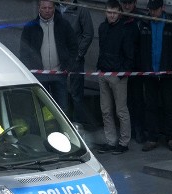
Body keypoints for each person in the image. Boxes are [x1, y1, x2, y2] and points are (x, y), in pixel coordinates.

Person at [136, 0, 172, 152]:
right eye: (151, 10)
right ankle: (152, 137)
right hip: (149, 72)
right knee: (150, 106)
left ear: (163, 8)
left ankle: (171, 137)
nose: (153, 13)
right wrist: (143, 66)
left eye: (155, 10)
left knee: (168, 106)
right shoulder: (143, 24)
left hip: (166, 73)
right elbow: (138, 47)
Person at [20, 0, 78, 113]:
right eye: (44, 8)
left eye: (50, 8)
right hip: (39, 75)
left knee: (62, 108)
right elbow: (24, 51)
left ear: (54, 8)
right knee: (39, 108)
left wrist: (68, 66)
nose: (47, 10)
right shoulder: (30, 27)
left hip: (59, 73)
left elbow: (73, 47)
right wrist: (31, 69)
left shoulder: (64, 25)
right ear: (39, 8)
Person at [95, 0, 134, 155]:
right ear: (105, 12)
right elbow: (102, 49)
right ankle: (111, 141)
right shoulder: (102, 27)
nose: (111, 15)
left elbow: (129, 55)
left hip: (118, 76)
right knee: (105, 110)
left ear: (119, 13)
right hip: (103, 73)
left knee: (121, 111)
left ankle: (124, 142)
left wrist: (122, 73)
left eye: (114, 12)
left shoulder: (125, 29)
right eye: (109, 12)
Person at [58, 0, 94, 127]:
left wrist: (78, 54)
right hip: (58, 60)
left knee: (76, 94)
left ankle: (78, 125)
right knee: (59, 93)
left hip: (75, 60)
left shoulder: (81, 9)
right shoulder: (55, 7)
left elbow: (88, 34)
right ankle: (61, 124)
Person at [121, 0, 145, 144]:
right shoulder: (118, 16)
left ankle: (139, 130)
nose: (127, 6)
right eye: (124, 2)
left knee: (137, 100)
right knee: (125, 102)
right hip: (122, 66)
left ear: (135, 3)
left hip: (137, 67)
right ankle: (129, 131)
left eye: (129, 2)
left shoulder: (140, 19)